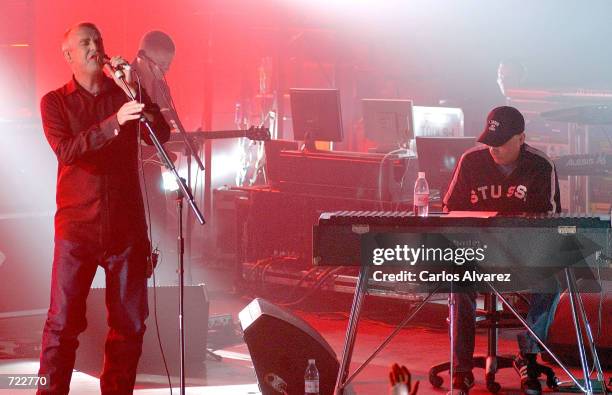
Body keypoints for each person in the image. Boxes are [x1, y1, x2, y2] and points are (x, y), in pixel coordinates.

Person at [37, 22, 170, 394]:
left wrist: (138, 88)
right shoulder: (55, 102)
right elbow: (68, 151)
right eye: (85, 42)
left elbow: (161, 135)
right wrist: (114, 124)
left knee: (130, 324)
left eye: (97, 40)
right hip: (77, 230)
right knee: (62, 324)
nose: (95, 46)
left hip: (124, 230)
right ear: (69, 55)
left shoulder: (123, 95)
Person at [443, 106, 561, 395]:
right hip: (477, 251)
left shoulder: (540, 166)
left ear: (521, 138)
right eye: (490, 141)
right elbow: (448, 208)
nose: (493, 149)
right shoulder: (470, 161)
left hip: (523, 253)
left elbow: (552, 219)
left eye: (501, 142)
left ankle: (528, 356)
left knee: (551, 279)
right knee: (459, 281)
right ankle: (461, 368)